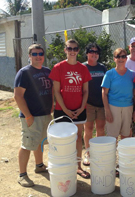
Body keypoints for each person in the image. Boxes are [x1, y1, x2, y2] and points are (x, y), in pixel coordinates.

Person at [49, 39, 92, 179]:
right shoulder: (58, 67)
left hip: (79, 110)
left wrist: (81, 108)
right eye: (69, 48)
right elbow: (56, 92)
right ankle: (64, 166)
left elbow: (85, 91)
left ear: (78, 51)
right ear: (65, 50)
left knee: (78, 138)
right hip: (62, 110)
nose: (72, 51)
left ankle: (78, 167)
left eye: (75, 49)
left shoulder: (83, 69)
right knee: (63, 139)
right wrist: (66, 110)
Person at [14, 44, 53, 187]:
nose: (38, 56)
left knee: (40, 142)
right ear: (29, 56)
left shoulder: (47, 71)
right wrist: (28, 116)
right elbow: (18, 96)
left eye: (40, 53)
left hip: (45, 114)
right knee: (27, 145)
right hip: (31, 116)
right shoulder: (24, 72)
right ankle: (22, 175)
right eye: (34, 54)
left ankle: (39, 165)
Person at [101, 48, 135, 139]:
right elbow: (104, 93)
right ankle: (112, 153)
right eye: (118, 56)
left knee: (126, 135)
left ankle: (123, 153)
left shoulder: (132, 74)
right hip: (113, 107)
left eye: (123, 56)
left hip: (128, 107)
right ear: (114, 59)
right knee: (112, 137)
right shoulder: (109, 74)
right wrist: (107, 111)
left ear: (126, 58)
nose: (121, 59)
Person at [82, 42, 107, 166]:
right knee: (88, 129)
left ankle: (98, 152)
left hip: (101, 104)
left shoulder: (102, 67)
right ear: (87, 53)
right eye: (91, 51)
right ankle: (88, 153)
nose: (94, 54)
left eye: (96, 52)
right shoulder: (82, 67)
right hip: (88, 104)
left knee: (101, 129)